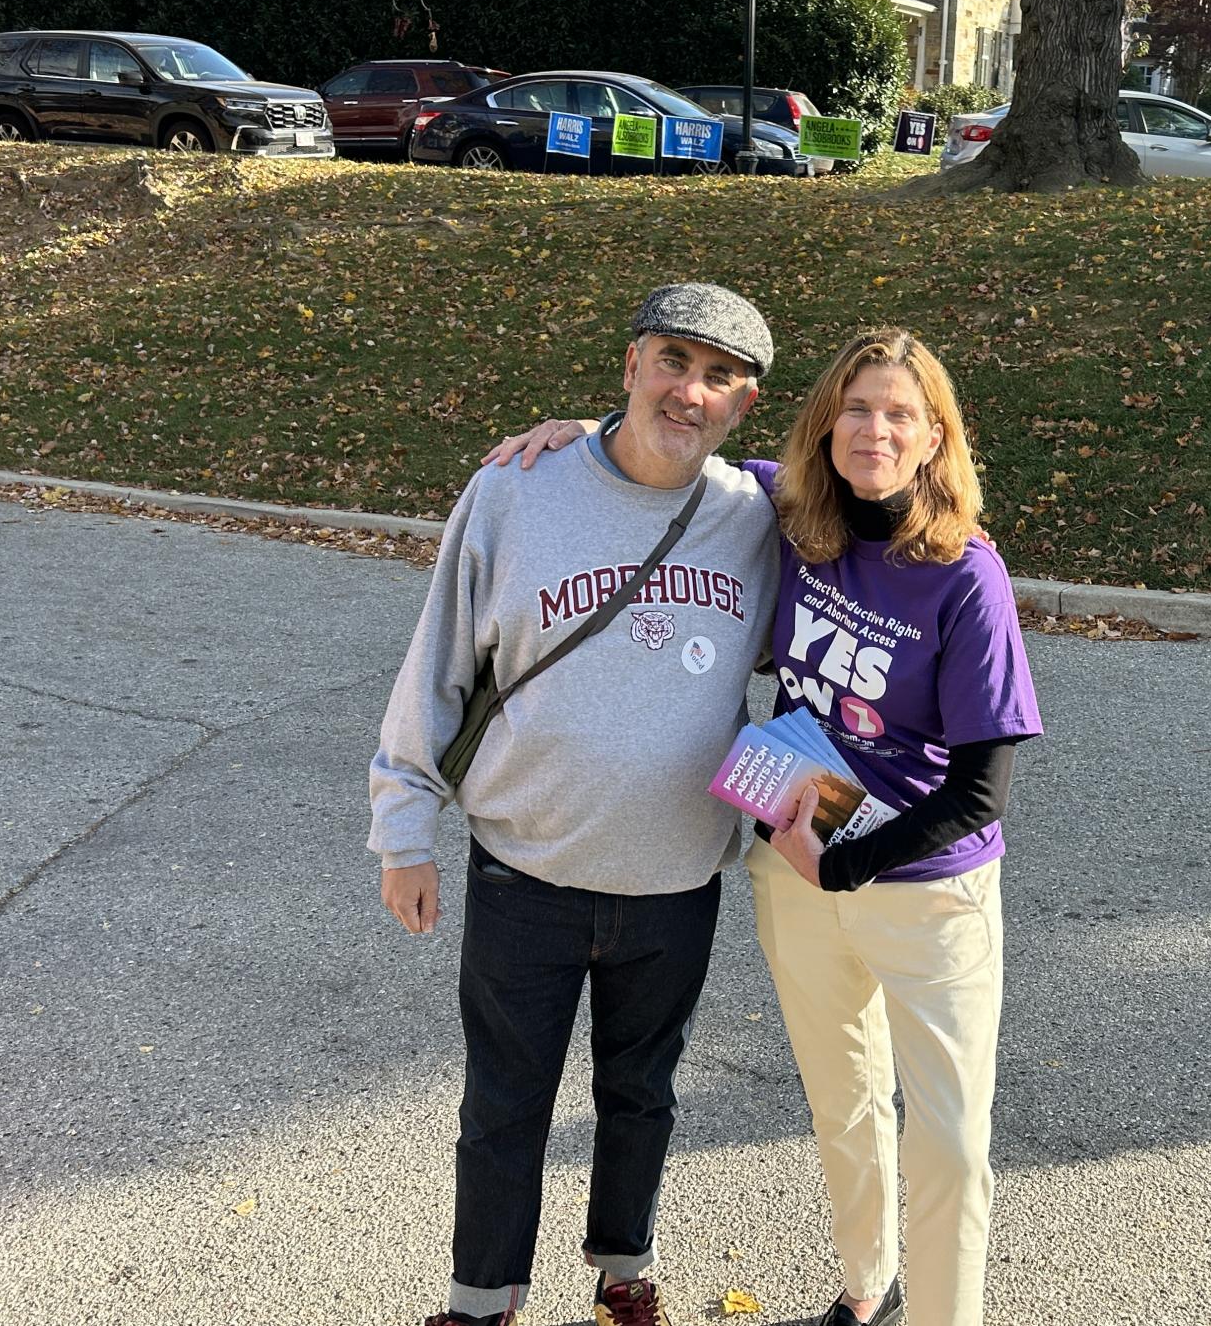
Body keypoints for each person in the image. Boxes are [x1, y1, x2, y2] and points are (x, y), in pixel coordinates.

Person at [491, 329, 1042, 1326]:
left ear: (934, 438)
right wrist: (581, 430)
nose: (875, 429)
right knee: (846, 1103)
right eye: (858, 408)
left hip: (926, 888)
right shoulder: (789, 514)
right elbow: (666, 449)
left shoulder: (966, 576)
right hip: (795, 863)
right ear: (826, 423)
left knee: (952, 1141)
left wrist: (849, 865)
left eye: (901, 414)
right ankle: (869, 1289)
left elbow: (980, 789)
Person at [370, 283, 782, 1326]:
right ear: (632, 364)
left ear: (745, 404)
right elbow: (438, 665)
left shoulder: (757, 518)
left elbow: (876, 527)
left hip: (675, 880)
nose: (691, 390)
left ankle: (622, 1275)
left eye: (720, 376)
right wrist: (402, 830)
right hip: (525, 871)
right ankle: (480, 1302)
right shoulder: (517, 486)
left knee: (643, 1096)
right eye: (674, 360)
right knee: (504, 1104)